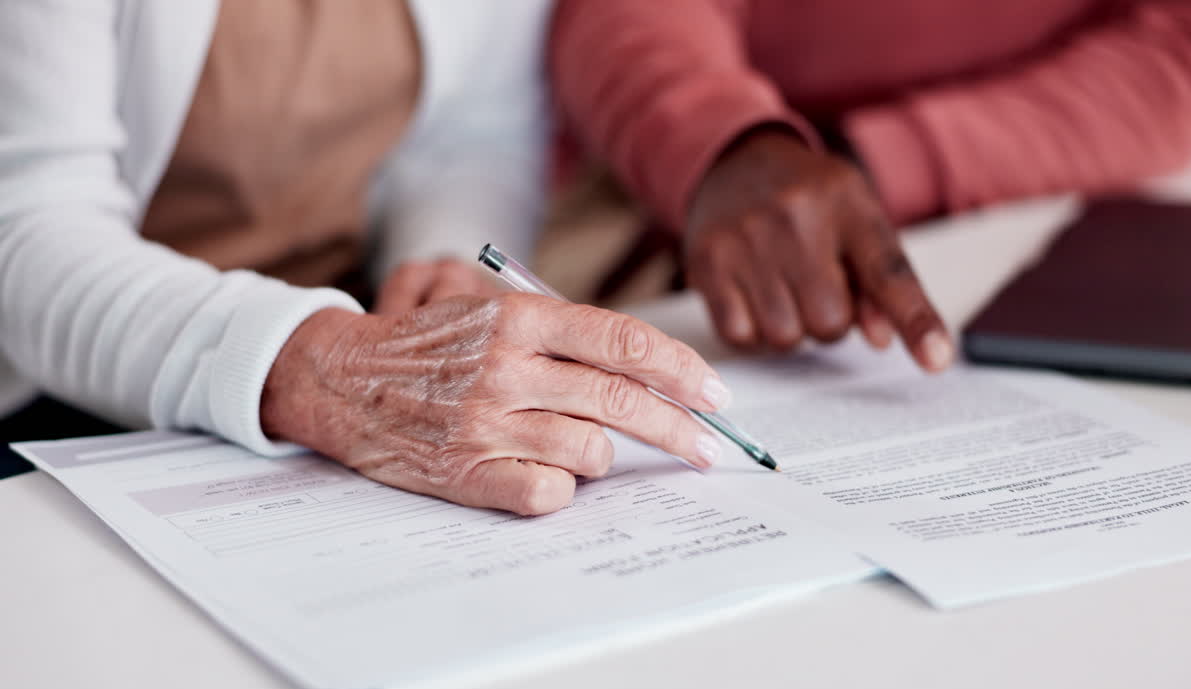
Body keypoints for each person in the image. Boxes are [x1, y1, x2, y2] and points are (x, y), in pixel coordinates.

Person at [0, 1, 732, 515]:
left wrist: (440, 271)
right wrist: (316, 368)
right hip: (84, 374)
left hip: (356, 341)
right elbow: (27, 231)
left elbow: (478, 138)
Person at [550, 0, 1191, 360]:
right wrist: (725, 147)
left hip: (999, 214)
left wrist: (875, 163)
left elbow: (1180, 54)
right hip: (659, 178)